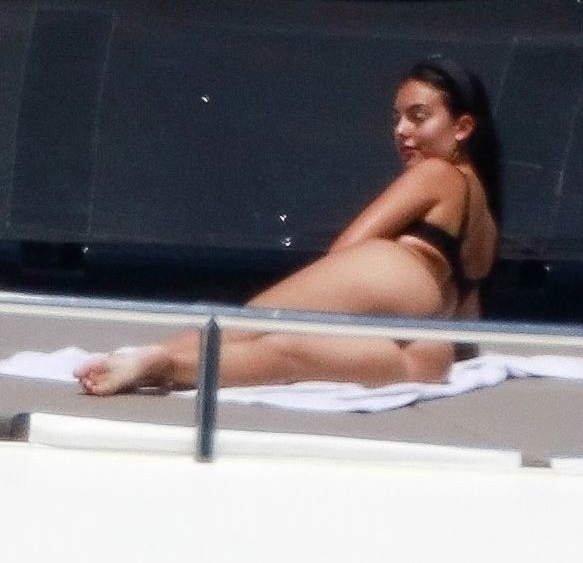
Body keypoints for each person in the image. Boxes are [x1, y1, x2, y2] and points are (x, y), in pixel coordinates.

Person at [75, 58, 501, 395]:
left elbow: (348, 250)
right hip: (427, 352)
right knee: (285, 354)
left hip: (391, 279)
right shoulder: (484, 212)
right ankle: (165, 366)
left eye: (418, 117)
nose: (401, 131)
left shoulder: (436, 174)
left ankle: (144, 355)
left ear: (462, 127)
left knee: (248, 326)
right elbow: (467, 324)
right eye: (398, 118)